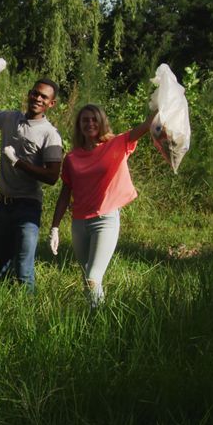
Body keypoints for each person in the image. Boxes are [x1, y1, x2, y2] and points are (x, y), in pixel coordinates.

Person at [49, 104, 155, 307]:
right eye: (85, 120)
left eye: (94, 119)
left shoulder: (117, 143)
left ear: (102, 122)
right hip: (79, 223)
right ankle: (95, 317)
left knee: (93, 276)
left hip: (105, 220)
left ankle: (99, 317)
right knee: (86, 276)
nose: (90, 123)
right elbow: (65, 193)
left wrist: (163, 100)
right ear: (79, 125)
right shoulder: (72, 158)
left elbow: (147, 126)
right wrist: (54, 227)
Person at [0, 79, 63, 290]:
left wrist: (19, 163)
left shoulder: (50, 134)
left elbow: (52, 176)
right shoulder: (10, 118)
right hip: (3, 204)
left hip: (28, 207)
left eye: (44, 97)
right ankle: (2, 312)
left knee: (23, 268)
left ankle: (28, 317)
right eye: (35, 93)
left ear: (52, 104)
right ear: (29, 93)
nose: (38, 98)